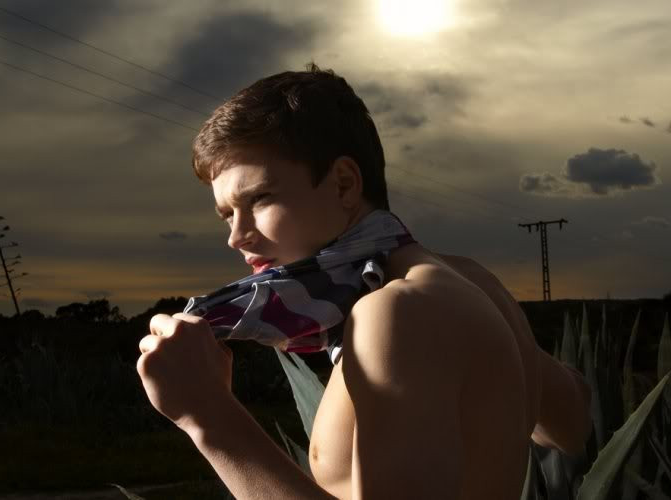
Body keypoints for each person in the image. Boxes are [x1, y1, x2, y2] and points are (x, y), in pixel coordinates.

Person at [136, 64, 593, 499]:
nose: (237, 236)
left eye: (259, 199)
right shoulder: (470, 284)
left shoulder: (398, 311)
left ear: (344, 184)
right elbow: (573, 424)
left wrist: (208, 416)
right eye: (227, 214)